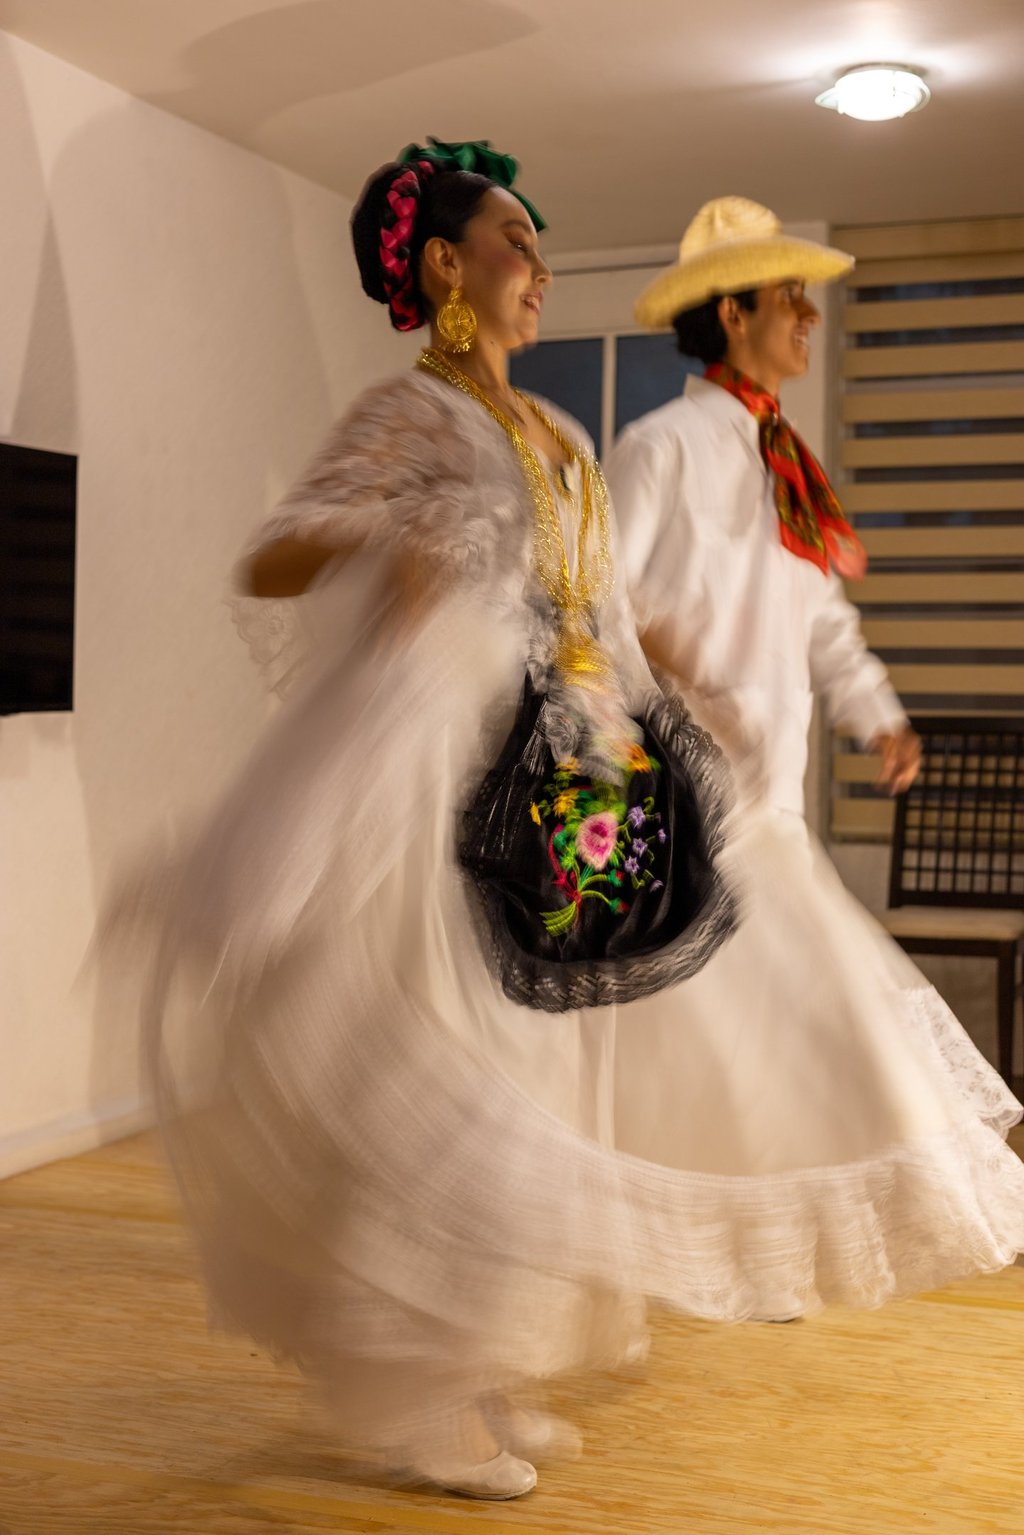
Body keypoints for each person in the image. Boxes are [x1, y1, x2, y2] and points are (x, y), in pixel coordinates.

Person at [117, 159, 1024, 1506]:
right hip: (439, 771)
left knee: (543, 1068)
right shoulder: (410, 411)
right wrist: (389, 537)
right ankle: (418, 1389)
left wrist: (681, 676)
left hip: (569, 774)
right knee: (450, 1060)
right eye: (515, 241)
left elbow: (597, 595)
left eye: (539, 249)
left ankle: (472, 1362)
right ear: (443, 266)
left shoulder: (550, 423)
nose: (537, 268)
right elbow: (278, 551)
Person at [606, 195, 921, 818]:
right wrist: (698, 694)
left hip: (775, 797)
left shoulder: (792, 465)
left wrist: (880, 719)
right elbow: (600, 604)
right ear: (735, 313)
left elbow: (822, 617)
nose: (811, 314)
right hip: (677, 800)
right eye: (790, 295)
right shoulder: (659, 445)